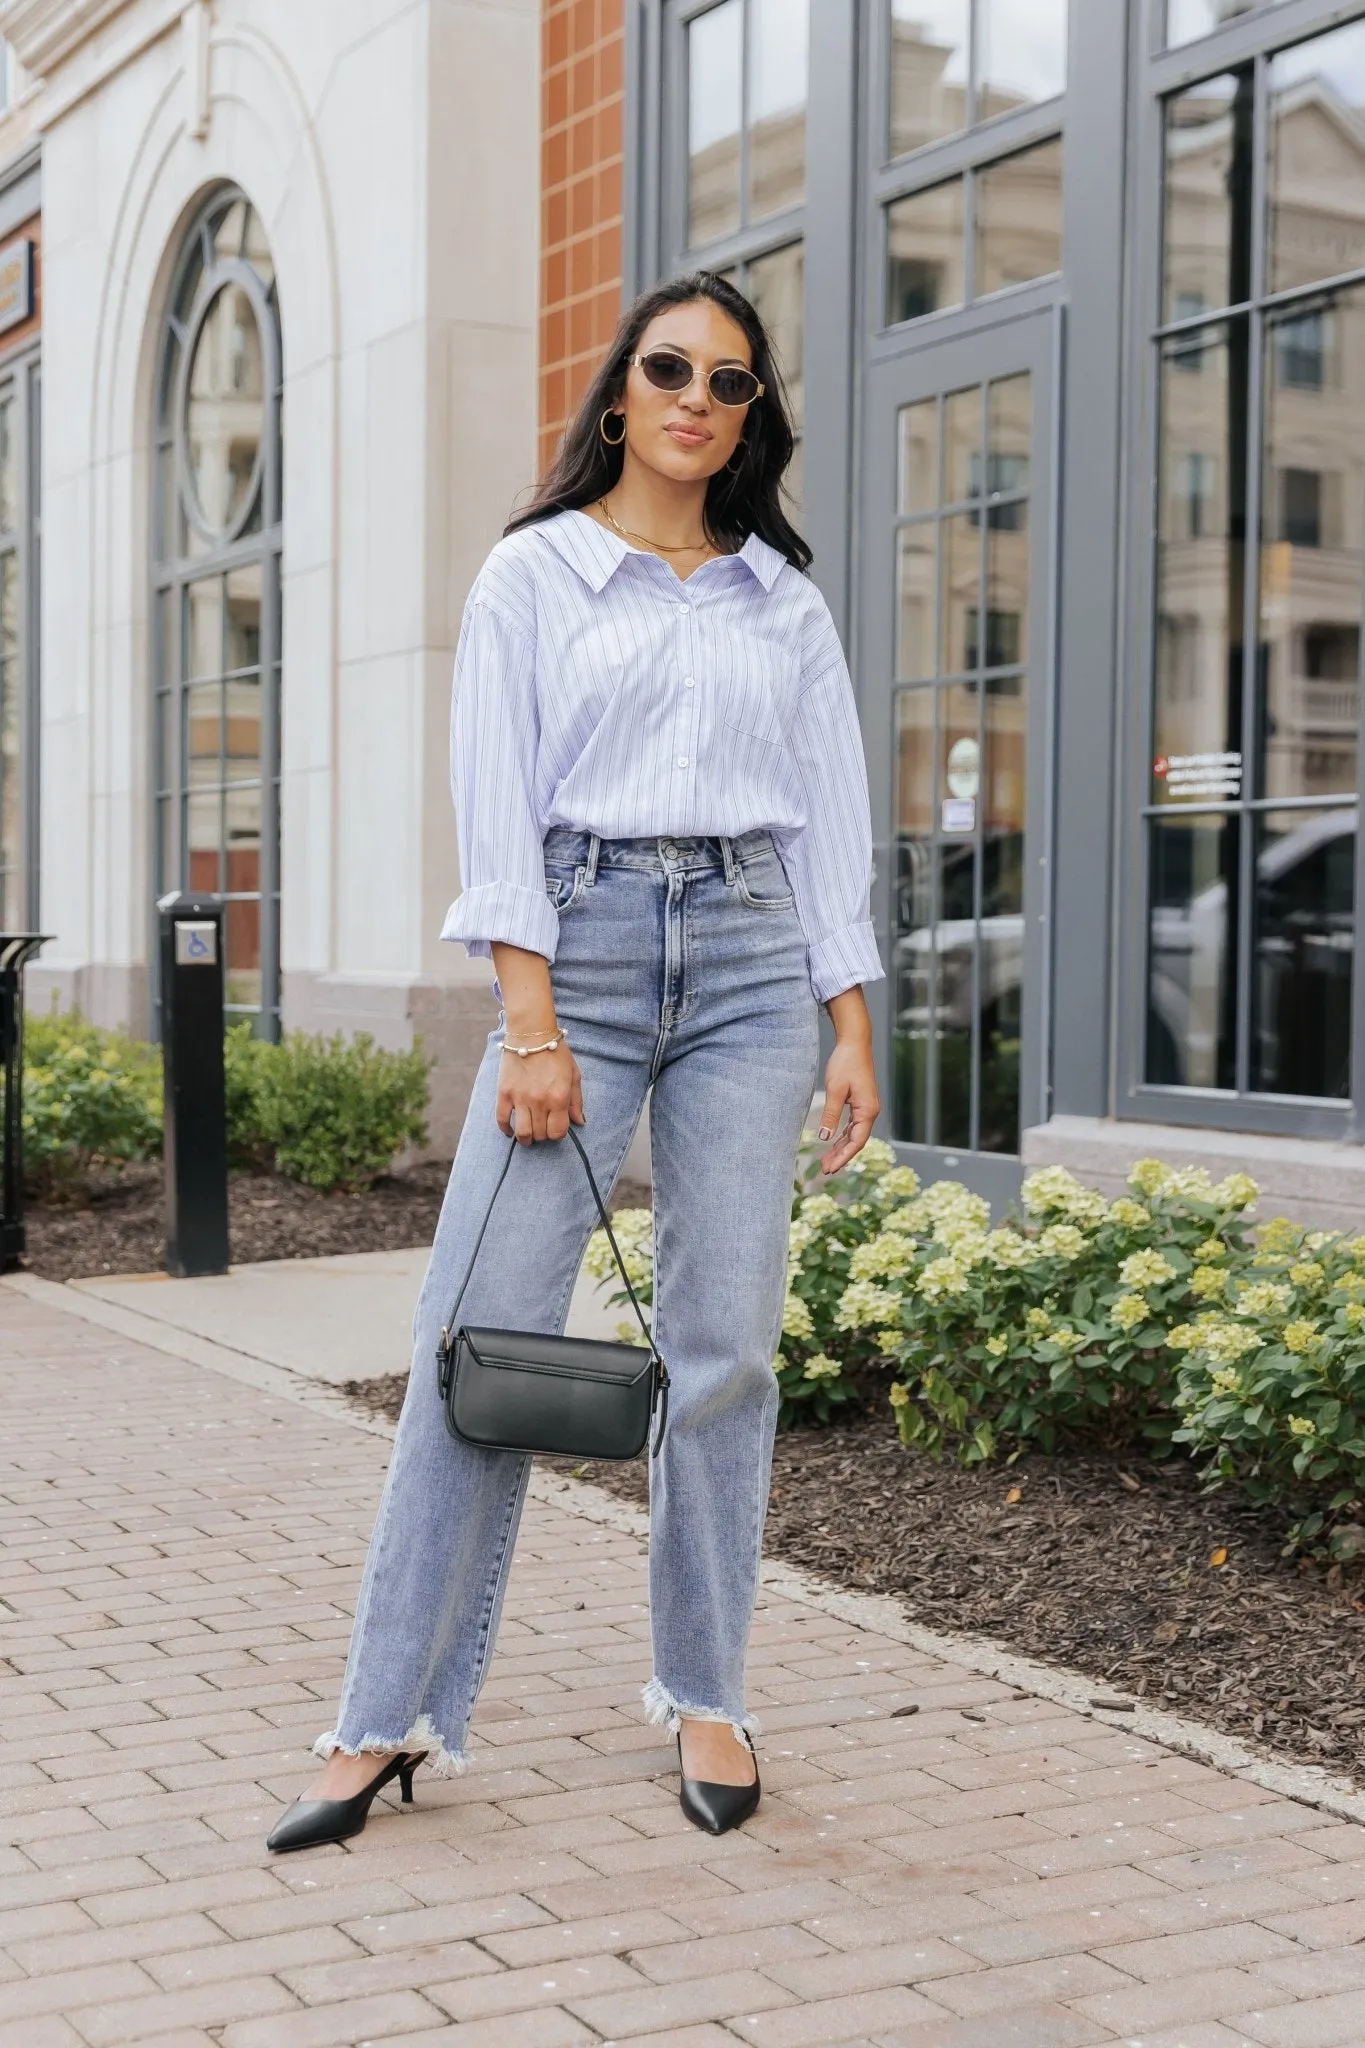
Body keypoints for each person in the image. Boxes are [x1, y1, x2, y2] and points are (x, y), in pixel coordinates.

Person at [266, 270, 883, 1853]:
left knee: (728, 1346)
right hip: (581, 957)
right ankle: (380, 1718)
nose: (695, 396)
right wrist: (528, 1026)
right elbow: (499, 811)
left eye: (729, 381)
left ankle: (707, 1689)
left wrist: (850, 1018)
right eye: (670, 367)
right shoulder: (531, 577)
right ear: (620, 393)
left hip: (752, 960)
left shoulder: (782, 603)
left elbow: (829, 823)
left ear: (751, 418)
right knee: (476, 1336)